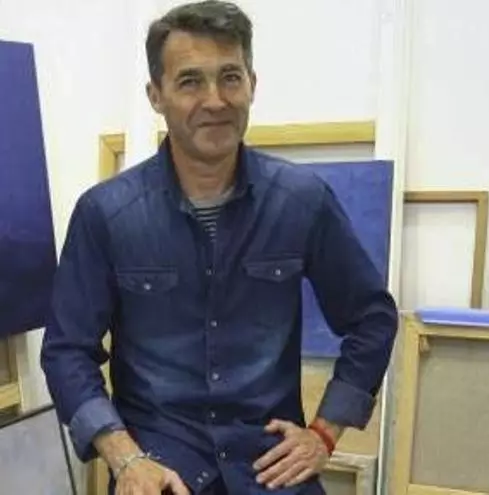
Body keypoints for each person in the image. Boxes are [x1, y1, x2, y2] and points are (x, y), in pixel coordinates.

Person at [39, 1, 399, 494]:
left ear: (252, 84)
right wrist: (125, 458)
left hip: (272, 471)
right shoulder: (107, 214)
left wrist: (324, 433)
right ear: (155, 95)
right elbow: (66, 351)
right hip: (159, 473)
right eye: (190, 82)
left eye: (230, 77)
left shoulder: (302, 202)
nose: (215, 100)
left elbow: (372, 319)